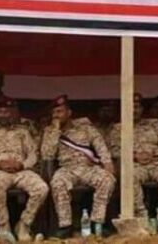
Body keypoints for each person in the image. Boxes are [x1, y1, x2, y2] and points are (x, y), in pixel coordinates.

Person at [41, 95, 115, 238]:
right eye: (54, 112)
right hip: (67, 169)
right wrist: (55, 131)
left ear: (69, 113)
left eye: (60, 111)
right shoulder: (50, 131)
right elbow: (47, 155)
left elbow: (100, 145)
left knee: (107, 179)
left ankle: (96, 222)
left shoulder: (85, 127)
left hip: (88, 167)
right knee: (57, 182)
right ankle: (66, 226)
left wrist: (107, 162)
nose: (56, 115)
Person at [0, 98, 48, 242]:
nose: (4, 115)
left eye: (7, 112)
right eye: (0, 112)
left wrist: (22, 165)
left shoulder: (23, 132)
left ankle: (24, 225)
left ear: (13, 114)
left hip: (22, 171)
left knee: (42, 188)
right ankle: (4, 227)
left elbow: (34, 154)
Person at [108, 93, 158, 221]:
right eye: (130, 107)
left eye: (137, 107)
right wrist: (134, 156)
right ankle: (141, 217)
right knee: (129, 177)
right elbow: (114, 150)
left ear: (142, 109)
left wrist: (156, 155)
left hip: (156, 162)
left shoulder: (154, 124)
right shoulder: (118, 128)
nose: (134, 110)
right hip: (134, 165)